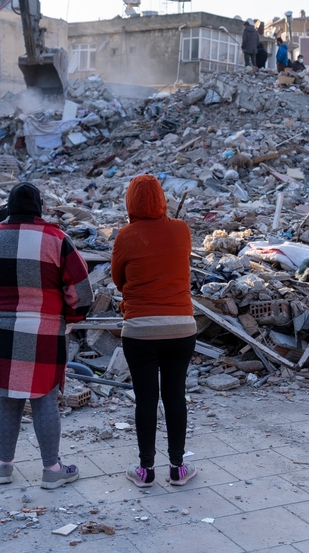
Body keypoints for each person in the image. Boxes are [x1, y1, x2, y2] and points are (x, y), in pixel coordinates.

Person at [0, 182, 92, 489]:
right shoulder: (57, 239)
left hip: (3, 329)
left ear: (9, 206)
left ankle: (3, 468)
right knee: (44, 398)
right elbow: (81, 290)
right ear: (38, 206)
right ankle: (52, 470)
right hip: (46, 330)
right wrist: (70, 318)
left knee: (7, 399)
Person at [111, 175, 198, 488]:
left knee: (145, 399)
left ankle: (145, 471)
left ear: (130, 202)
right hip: (181, 327)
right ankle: (177, 468)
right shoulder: (182, 229)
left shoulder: (125, 235)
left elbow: (118, 279)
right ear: (162, 198)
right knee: (175, 395)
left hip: (140, 330)